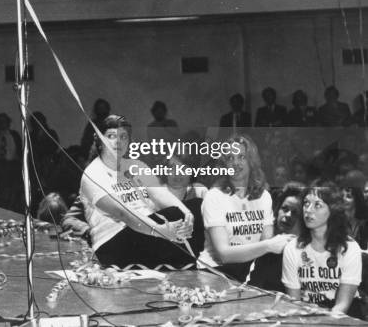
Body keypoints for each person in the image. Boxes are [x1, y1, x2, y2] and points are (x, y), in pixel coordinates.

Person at [79, 114, 196, 269]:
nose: (118, 141)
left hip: (147, 231)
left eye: (123, 136)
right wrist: (160, 230)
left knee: (192, 208)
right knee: (174, 217)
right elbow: (124, 213)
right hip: (112, 243)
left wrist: (187, 214)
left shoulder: (137, 165)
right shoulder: (93, 173)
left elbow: (160, 194)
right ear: (99, 140)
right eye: (111, 136)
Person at [198, 134, 295, 281]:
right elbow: (224, 255)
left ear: (251, 161)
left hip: (250, 268)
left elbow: (266, 244)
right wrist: (268, 245)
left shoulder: (264, 196)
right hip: (215, 271)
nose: (236, 163)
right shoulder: (214, 197)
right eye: (230, 158)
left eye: (241, 157)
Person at [282, 180, 363, 318]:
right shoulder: (292, 248)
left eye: (317, 205)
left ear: (333, 210)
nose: (308, 209)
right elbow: (294, 303)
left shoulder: (350, 248)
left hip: (343, 315)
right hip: (306, 314)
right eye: (306, 203)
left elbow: (342, 305)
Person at [248, 183, 304, 291]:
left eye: (295, 212)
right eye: (285, 209)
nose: (287, 215)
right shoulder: (267, 241)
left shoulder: (304, 250)